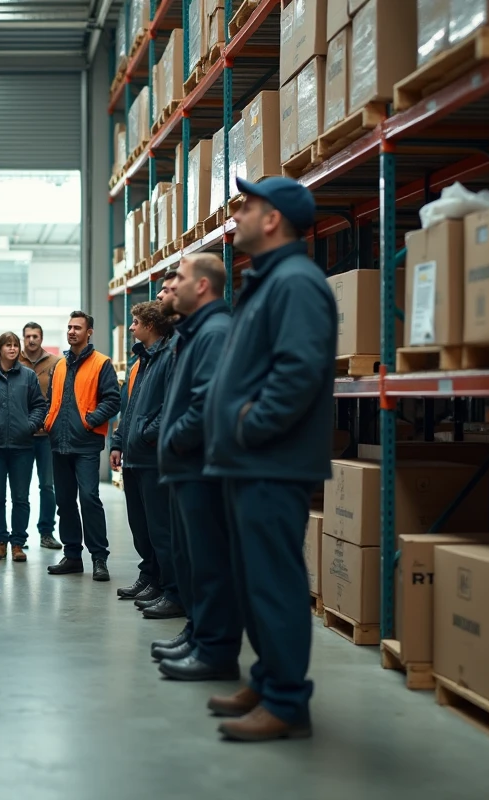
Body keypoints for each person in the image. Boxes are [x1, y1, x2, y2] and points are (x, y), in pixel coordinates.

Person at [203, 176, 337, 741]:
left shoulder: (298, 284)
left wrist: (249, 426)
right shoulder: (268, 281)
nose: (238, 216)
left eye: (247, 207)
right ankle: (267, 679)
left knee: (275, 583)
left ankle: (286, 702)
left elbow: (298, 373)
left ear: (274, 219)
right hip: (248, 461)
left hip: (270, 461)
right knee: (253, 580)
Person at [155, 254, 242, 683]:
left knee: (209, 564)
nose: (168, 287)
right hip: (186, 468)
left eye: (179, 278)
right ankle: (198, 633)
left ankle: (215, 652)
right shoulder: (195, 332)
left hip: (200, 468)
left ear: (203, 286)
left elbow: (207, 403)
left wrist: (172, 439)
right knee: (192, 561)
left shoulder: (214, 332)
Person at [109, 301, 182, 621]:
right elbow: (130, 407)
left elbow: (169, 405)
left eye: (136, 322)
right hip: (135, 457)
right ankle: (150, 577)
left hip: (152, 458)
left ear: (151, 326)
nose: (132, 328)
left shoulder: (167, 358)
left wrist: (147, 434)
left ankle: (171, 590)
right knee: (141, 528)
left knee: (160, 529)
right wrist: (119, 441)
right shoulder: (143, 361)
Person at [45, 311, 121, 581]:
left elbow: (113, 400)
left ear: (89, 332)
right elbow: (51, 399)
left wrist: (90, 421)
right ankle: (73, 556)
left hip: (86, 444)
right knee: (64, 501)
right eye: (69, 327)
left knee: (89, 499)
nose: (72, 331)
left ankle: (99, 558)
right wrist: (48, 422)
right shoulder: (60, 365)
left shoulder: (102, 363)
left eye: (77, 327)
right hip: (59, 443)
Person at [0, 332, 48, 562]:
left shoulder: (28, 376)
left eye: (15, 345)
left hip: (23, 446)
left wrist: (28, 426)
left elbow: (39, 406)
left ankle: (18, 544)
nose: (12, 349)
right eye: (7, 345)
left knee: (21, 497)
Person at [19, 323, 61, 550]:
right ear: (23, 338)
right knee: (20, 489)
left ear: (41, 338)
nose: (31, 340)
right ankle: (19, 537)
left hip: (46, 435)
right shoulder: (16, 361)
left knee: (47, 485)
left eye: (35, 336)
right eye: (28, 336)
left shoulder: (56, 363)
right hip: (22, 436)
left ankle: (47, 532)